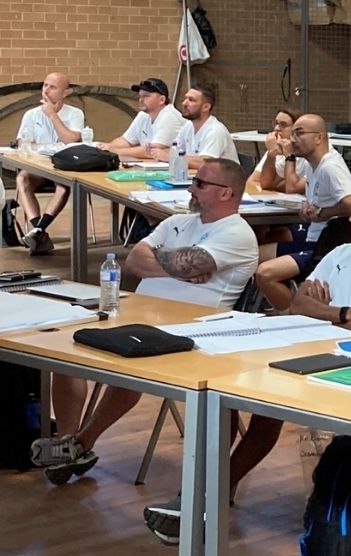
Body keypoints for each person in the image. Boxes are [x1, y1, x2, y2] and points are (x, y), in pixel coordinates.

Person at [143, 180, 351, 543]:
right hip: (310, 349)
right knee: (225, 388)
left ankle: (204, 500)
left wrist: (326, 310)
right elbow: (298, 304)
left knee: (268, 405)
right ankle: (207, 496)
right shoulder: (342, 254)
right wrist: (343, 312)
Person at [28, 159, 259, 483]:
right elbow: (135, 260)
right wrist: (177, 267)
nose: (191, 188)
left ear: (227, 193)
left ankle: (82, 443)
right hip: (138, 314)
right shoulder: (179, 221)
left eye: (201, 184)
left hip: (189, 332)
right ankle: (69, 442)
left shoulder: (237, 234)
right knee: (66, 347)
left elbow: (178, 263)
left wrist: (166, 261)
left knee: (130, 353)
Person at [254, 114, 351, 312]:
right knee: (250, 255)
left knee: (264, 273)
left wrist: (323, 213)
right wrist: (309, 208)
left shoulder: (330, 167)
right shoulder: (313, 164)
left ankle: (294, 314)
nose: (292, 140)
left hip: (323, 245)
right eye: (292, 134)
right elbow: (289, 187)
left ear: (319, 137)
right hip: (311, 234)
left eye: (299, 134)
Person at [14, 72, 84, 255]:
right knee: (22, 178)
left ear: (65, 92)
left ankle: (38, 231)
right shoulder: (31, 114)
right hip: (38, 167)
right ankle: (39, 230)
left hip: (63, 167)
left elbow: (71, 141)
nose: (46, 90)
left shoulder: (75, 114)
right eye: (45, 85)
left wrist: (53, 116)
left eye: (52, 87)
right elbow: (24, 144)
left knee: (64, 184)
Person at [96, 78, 184, 161]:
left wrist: (113, 151)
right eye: (140, 96)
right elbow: (126, 141)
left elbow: (151, 151)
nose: (141, 100)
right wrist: (105, 147)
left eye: (146, 96)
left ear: (162, 99)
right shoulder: (143, 115)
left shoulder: (170, 117)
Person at [151, 84, 237, 168]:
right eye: (185, 98)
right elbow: (175, 150)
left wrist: (170, 157)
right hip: (196, 177)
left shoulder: (215, 131)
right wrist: (159, 153)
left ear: (206, 107)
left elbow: (205, 163)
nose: (184, 103)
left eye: (191, 100)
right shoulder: (188, 126)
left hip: (223, 181)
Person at [249, 109, 304, 193]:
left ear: (296, 130)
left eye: (283, 125)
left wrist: (273, 184)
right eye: (276, 123)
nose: (276, 128)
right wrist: (271, 154)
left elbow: (289, 187)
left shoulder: (304, 151)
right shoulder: (275, 147)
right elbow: (253, 181)